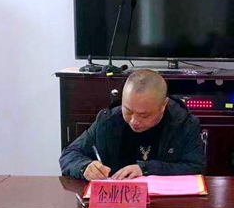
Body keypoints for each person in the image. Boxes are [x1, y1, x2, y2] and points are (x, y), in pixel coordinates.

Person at [60, 69, 205, 180]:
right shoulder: (108, 120)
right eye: (128, 111)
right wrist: (85, 167)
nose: (134, 121)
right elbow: (69, 154)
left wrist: (147, 169)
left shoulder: (183, 123)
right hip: (116, 202)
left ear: (163, 105)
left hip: (164, 204)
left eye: (144, 115)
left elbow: (195, 168)